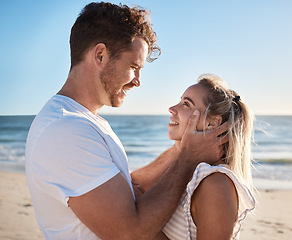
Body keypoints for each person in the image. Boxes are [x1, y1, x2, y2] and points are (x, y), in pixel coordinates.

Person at [25, 2, 228, 240]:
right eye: (134, 67)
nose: (137, 81)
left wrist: (182, 149)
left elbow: (126, 187)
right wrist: (187, 159)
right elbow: (129, 233)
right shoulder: (66, 129)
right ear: (100, 55)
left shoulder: (87, 123)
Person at [135, 74, 256, 240]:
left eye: (186, 104)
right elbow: (132, 185)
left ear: (212, 123)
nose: (172, 108)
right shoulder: (182, 171)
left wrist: (143, 231)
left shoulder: (216, 184)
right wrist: (183, 152)